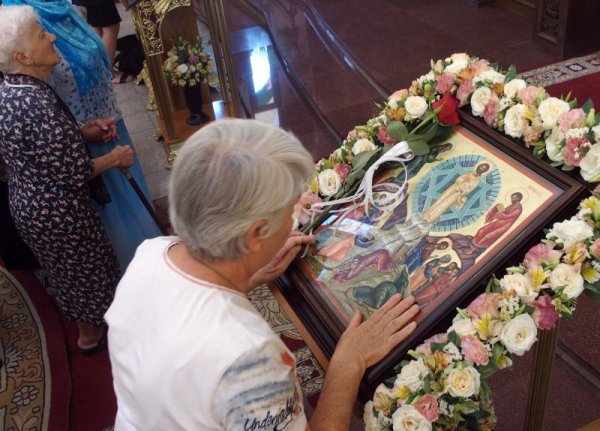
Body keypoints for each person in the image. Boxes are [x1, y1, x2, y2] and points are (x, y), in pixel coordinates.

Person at [106, 119, 419, 430]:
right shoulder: (248, 358)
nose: (292, 221)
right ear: (255, 234)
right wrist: (348, 364)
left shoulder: (151, 253)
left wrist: (251, 274)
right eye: (289, 212)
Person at [0, 5, 134, 352]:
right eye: (41, 34)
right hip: (57, 211)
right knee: (88, 274)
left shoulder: (15, 88)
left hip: (33, 207)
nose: (52, 36)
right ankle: (104, 338)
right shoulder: (33, 101)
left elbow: (40, 143)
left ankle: (90, 334)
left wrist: (82, 132)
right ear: (22, 55)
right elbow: (76, 171)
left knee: (68, 275)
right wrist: (116, 156)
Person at [4, 0, 163, 271]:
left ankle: (155, 261)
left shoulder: (60, 6)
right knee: (115, 225)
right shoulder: (14, 26)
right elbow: (69, 168)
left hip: (104, 120)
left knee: (136, 204)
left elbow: (97, 47)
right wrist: (85, 134)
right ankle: (138, 275)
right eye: (44, 35)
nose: (50, 37)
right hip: (77, 142)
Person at [422, 162, 491, 224]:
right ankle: (427, 214)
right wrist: (463, 181)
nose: (481, 169)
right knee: (440, 199)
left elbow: (470, 189)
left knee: (445, 204)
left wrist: (464, 188)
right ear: (478, 166)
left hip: (459, 192)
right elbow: (459, 178)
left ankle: (431, 218)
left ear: (484, 171)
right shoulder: (470, 173)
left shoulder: (477, 180)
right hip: (455, 186)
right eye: (481, 167)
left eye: (483, 169)